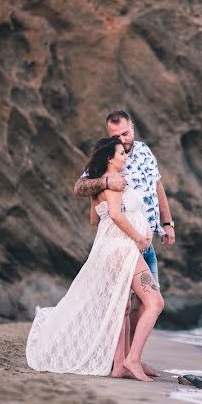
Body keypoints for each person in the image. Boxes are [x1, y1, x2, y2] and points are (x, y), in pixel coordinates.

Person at [25, 137, 164, 382]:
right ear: (109, 158)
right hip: (123, 248)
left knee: (122, 308)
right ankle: (132, 359)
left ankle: (120, 364)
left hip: (111, 250)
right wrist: (139, 238)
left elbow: (95, 219)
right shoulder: (114, 184)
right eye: (121, 153)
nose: (126, 156)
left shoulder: (100, 186)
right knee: (155, 302)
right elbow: (115, 216)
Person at [73, 110, 175, 377]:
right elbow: (80, 188)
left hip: (147, 239)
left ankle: (131, 360)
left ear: (133, 127)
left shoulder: (143, 152)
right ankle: (126, 361)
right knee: (133, 302)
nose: (123, 140)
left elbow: (157, 187)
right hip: (126, 243)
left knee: (142, 304)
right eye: (116, 136)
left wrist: (167, 223)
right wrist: (106, 181)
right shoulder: (111, 156)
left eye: (126, 133)